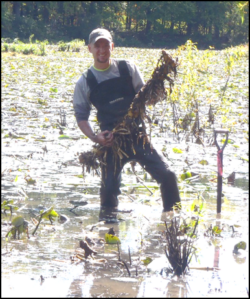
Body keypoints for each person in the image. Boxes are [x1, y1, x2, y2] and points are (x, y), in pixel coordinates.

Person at [73, 28, 181, 212]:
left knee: (168, 175)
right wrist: (95, 137)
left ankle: (174, 220)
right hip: (110, 142)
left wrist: (156, 90)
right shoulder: (85, 82)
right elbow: (81, 116)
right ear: (89, 48)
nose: (102, 50)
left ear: (112, 47)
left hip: (137, 136)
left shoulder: (127, 68)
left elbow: (145, 97)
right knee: (108, 190)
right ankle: (108, 229)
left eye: (105, 45)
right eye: (97, 46)